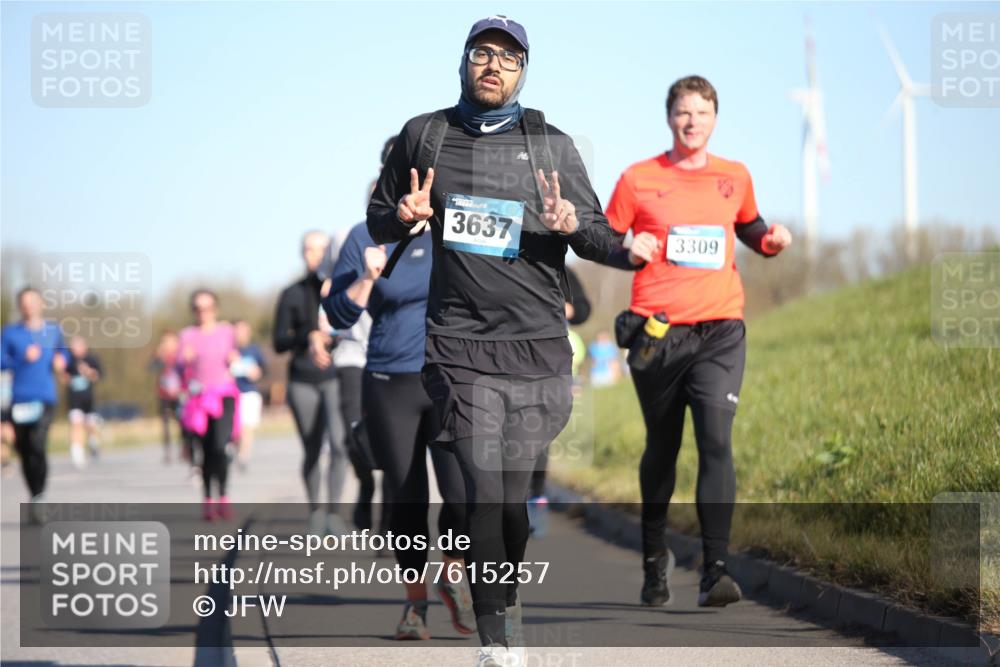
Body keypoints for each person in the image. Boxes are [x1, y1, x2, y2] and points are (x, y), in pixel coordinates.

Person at [367, 15, 636, 664]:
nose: (493, 65)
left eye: (508, 59)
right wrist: (402, 214)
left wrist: (572, 224)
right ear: (462, 60)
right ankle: (496, 640)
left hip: (539, 347)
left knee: (512, 506)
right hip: (457, 345)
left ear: (523, 72)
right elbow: (377, 222)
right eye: (482, 53)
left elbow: (605, 242)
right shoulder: (424, 137)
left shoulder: (551, 145)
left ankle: (503, 594)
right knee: (485, 493)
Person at [604, 75, 792, 608]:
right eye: (684, 112)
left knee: (715, 436)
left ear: (715, 119)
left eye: (702, 113)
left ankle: (715, 570)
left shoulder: (735, 176)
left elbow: (750, 227)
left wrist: (769, 241)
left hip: (720, 328)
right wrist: (627, 251)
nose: (692, 122)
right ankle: (652, 560)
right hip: (658, 332)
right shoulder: (639, 178)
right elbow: (605, 238)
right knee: (662, 449)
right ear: (669, 118)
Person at [325, 139, 475, 640]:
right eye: (402, 167)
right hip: (390, 379)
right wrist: (366, 279)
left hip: (454, 376)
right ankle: (415, 608)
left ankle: (452, 572)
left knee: (464, 493)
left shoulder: (461, 226)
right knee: (407, 499)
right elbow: (337, 316)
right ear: (389, 173)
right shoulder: (365, 235)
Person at [273, 231, 348, 536]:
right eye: (308, 249)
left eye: (320, 249)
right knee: (313, 448)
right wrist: (308, 335)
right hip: (303, 379)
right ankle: (316, 512)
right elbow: (278, 342)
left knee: (341, 445)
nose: (314, 255)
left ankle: (334, 514)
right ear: (301, 253)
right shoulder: (291, 293)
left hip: (336, 376)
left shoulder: (344, 288)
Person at [526, 265, 591, 539]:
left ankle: (534, 502)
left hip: (549, 363)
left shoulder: (562, 270)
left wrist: (563, 307)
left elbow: (584, 310)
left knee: (538, 441)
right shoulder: (504, 260)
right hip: (508, 358)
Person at [0, 287, 69, 521]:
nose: (29, 306)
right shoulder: (10, 333)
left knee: (38, 444)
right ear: (20, 306)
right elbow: (1, 360)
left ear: (41, 304)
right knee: (25, 450)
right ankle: (34, 494)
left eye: (33, 301)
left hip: (45, 397)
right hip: (18, 398)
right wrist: (21, 357)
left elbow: (63, 353)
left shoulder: (53, 330)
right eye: (24, 302)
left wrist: (61, 360)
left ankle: (39, 497)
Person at [178, 289, 241, 521]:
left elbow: (236, 356)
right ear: (193, 311)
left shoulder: (227, 331)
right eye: (198, 308)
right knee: (203, 451)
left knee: (219, 446)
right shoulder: (187, 335)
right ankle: (208, 500)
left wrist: (235, 358)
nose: (203, 312)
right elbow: (175, 369)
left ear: (215, 309)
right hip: (199, 399)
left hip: (224, 394)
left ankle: (223, 496)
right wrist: (183, 360)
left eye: (207, 307)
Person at [64, 335, 103, 468]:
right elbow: (62, 377)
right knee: (76, 424)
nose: (75, 348)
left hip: (88, 399)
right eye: (73, 345)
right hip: (74, 399)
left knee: (90, 425)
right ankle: (77, 453)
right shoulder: (68, 360)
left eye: (78, 345)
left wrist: (88, 371)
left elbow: (97, 377)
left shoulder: (92, 359)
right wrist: (64, 377)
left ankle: (93, 443)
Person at [231, 320, 266, 470]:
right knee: (234, 429)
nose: (241, 334)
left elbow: (264, 370)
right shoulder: (228, 350)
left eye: (244, 330)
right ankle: (236, 449)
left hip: (249, 393)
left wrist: (257, 373)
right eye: (238, 330)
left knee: (247, 427)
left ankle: (243, 455)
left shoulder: (254, 350)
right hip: (231, 393)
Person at [151, 330, 188, 464]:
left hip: (179, 393)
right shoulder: (161, 356)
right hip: (164, 393)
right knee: (165, 423)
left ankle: (184, 448)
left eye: (170, 341)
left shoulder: (180, 355)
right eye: (165, 341)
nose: (167, 344)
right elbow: (152, 367)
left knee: (182, 422)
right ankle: (167, 451)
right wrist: (158, 354)